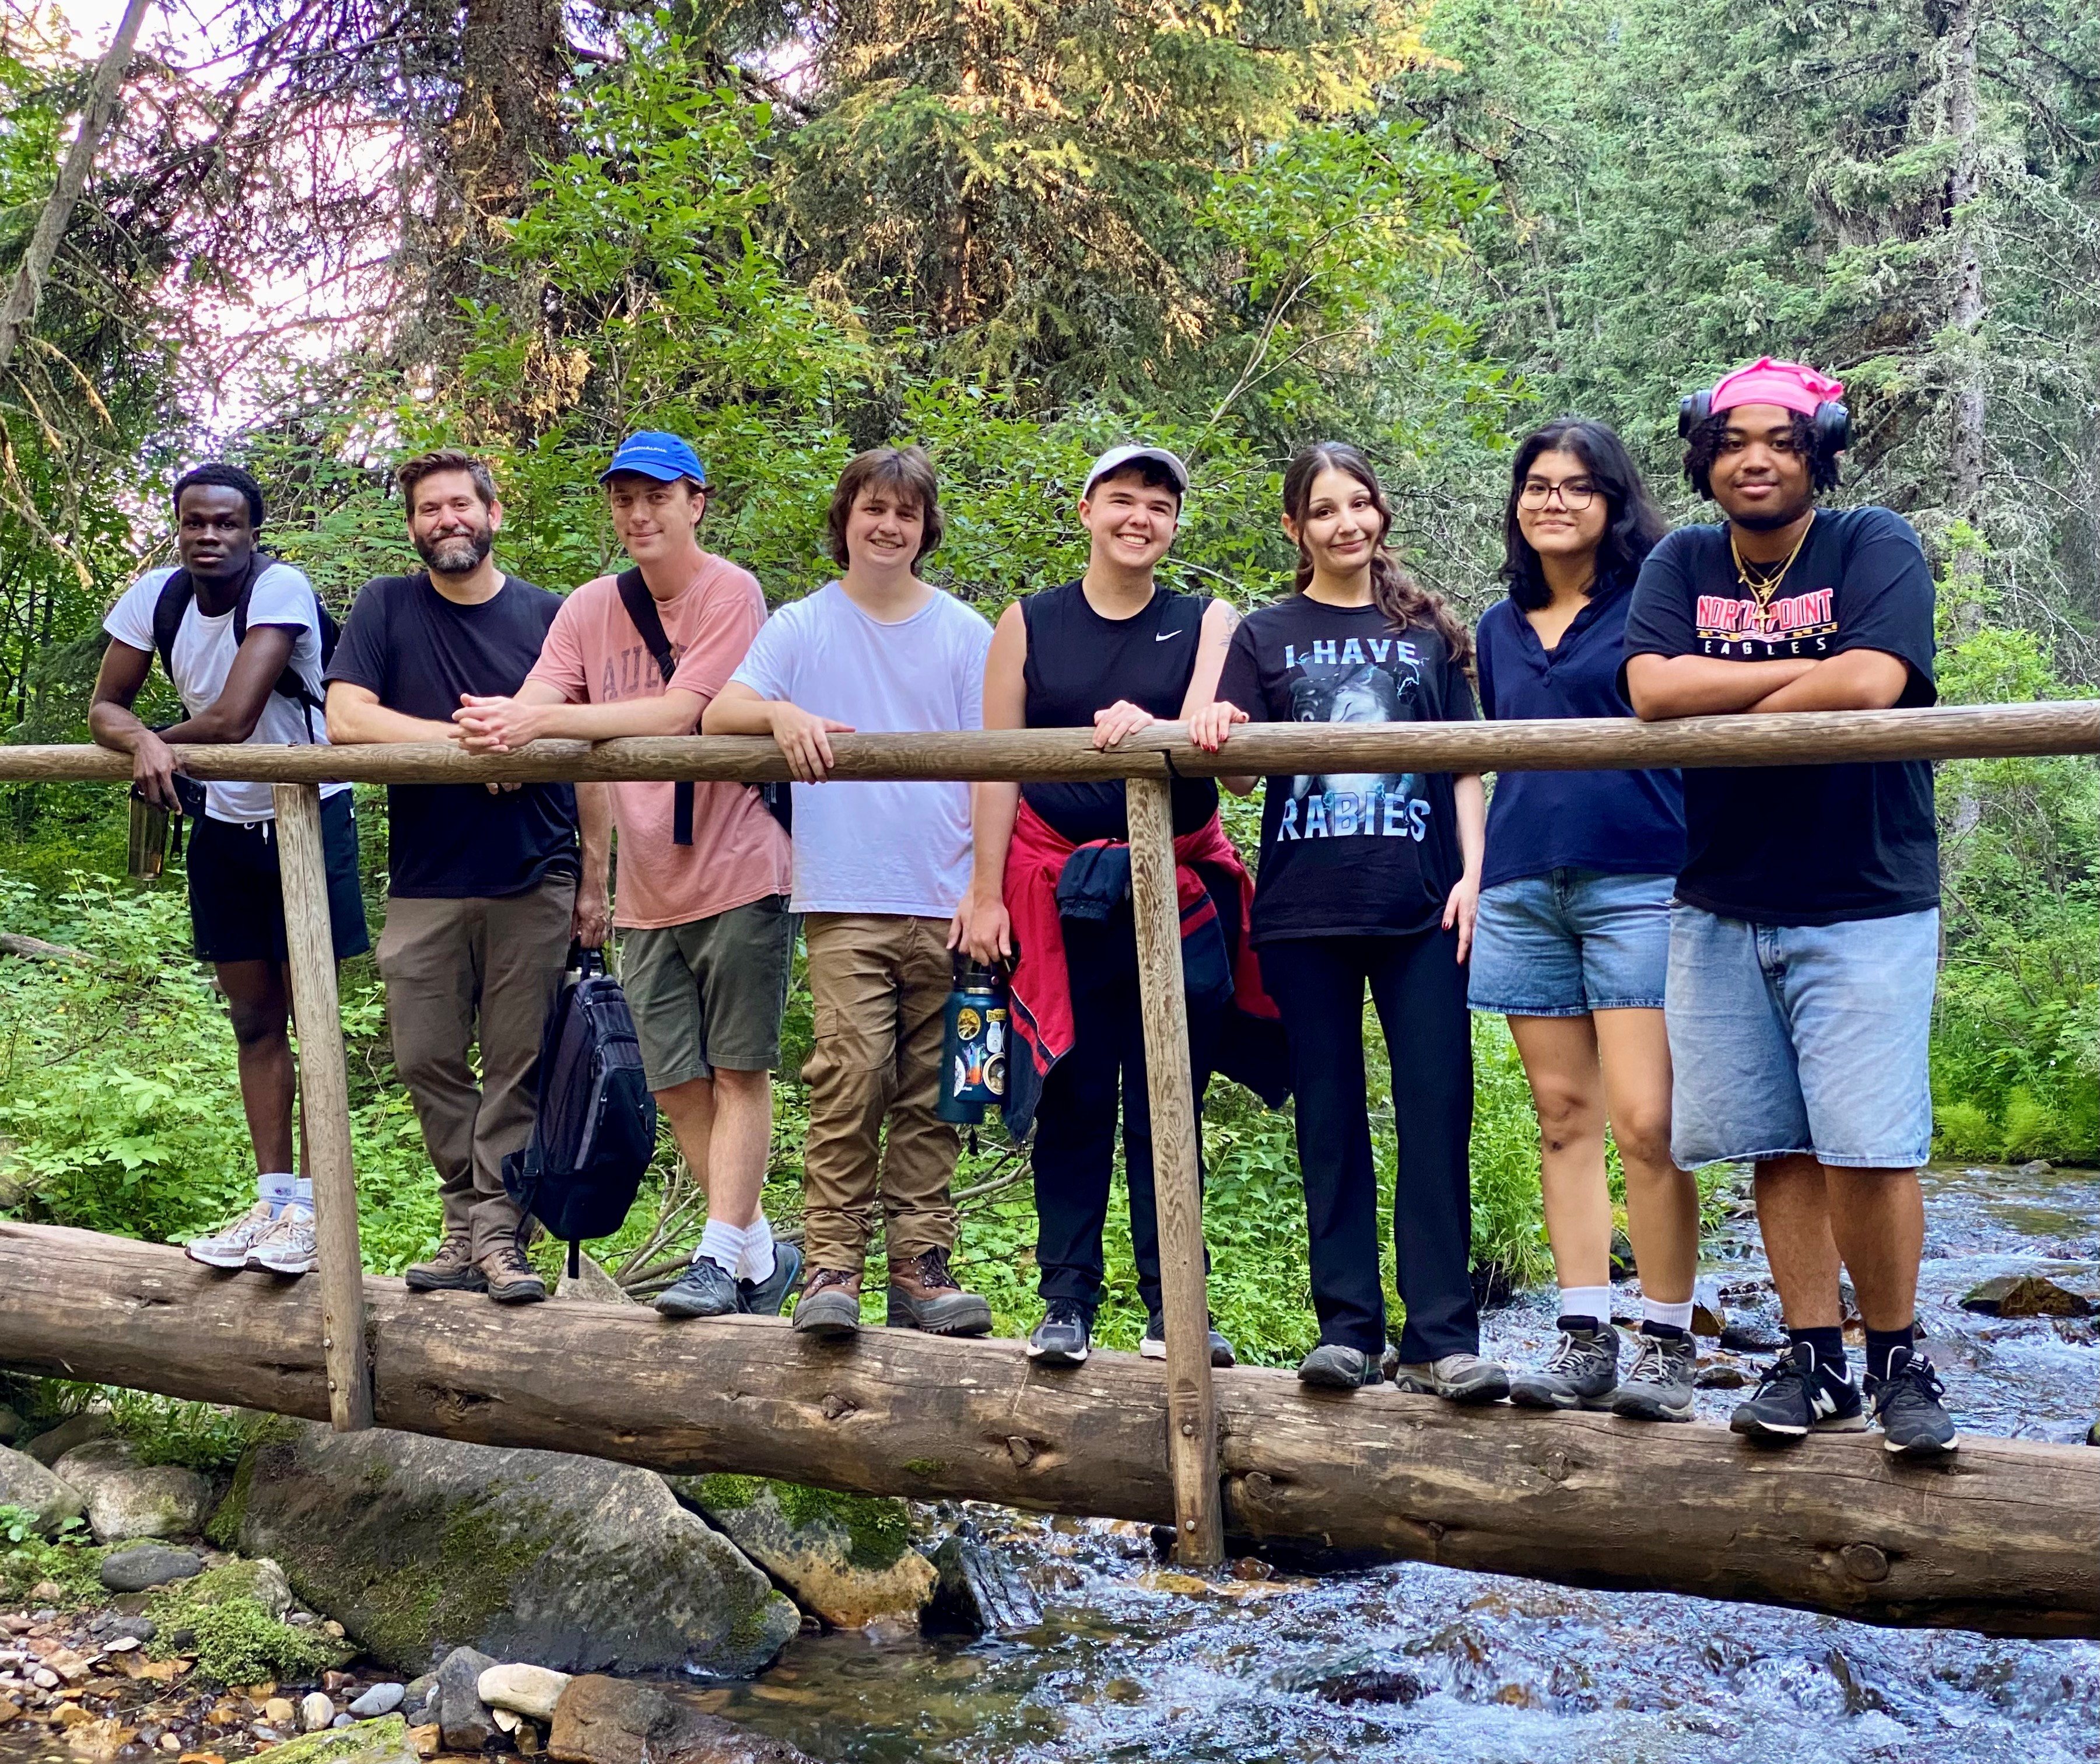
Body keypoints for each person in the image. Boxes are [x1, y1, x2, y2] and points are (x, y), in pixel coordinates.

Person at [1624, 358, 1955, 1457]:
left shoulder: (1874, 544)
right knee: (1778, 1141)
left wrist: (1730, 678)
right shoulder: (1679, 557)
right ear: (1701, 452)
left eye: (1777, 440)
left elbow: (1874, 682)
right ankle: (1813, 1360)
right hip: (1721, 899)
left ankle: (1897, 1356)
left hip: (1862, 893)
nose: (1753, 458)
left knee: (1870, 1144)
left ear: (1817, 449)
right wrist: (1805, 666)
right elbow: (1648, 691)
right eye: (1730, 441)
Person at [451, 432, 800, 1321]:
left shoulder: (731, 593)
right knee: (675, 1080)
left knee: (737, 1070)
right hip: (647, 883)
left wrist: (549, 729)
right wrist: (502, 726)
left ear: (697, 502)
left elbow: (686, 714)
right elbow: (543, 697)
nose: (639, 514)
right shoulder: (589, 608)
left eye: (657, 496)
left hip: (737, 865)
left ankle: (719, 1257)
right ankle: (758, 1252)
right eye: (623, 498)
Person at [954, 443, 1281, 1368]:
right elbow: (995, 764)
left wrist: (1153, 725)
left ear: (1175, 525)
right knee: (1074, 1092)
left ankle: (1173, 1305)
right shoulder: (1028, 622)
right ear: (1088, 510)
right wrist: (983, 895)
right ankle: (1065, 1303)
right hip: (1055, 891)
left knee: (1167, 1097)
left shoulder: (1204, 619)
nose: (1141, 519)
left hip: (1173, 886)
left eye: (1160, 507)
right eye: (1124, 501)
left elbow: (1212, 723)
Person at [1190, 442, 1505, 1401]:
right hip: (1304, 910)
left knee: (1435, 1110)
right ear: (1295, 529)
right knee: (1327, 1121)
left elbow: (1464, 763)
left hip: (1421, 906)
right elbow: (1239, 773)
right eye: (1322, 510)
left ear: (1380, 516)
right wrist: (1217, 733)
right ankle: (1347, 1330)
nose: (1344, 524)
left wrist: (1475, 877)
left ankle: (1441, 1338)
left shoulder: (1427, 630)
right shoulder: (1264, 633)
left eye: (1358, 504)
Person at [705, 446, 995, 1340]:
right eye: (873, 508)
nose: (887, 526)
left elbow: (997, 772)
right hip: (846, 899)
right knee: (848, 1077)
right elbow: (720, 713)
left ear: (924, 529)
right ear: (846, 518)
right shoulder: (803, 627)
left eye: (906, 514)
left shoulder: (964, 632)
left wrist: (987, 891)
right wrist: (780, 714)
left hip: (951, 900)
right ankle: (830, 1264)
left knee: (947, 1086)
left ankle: (921, 1266)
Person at [325, 448, 612, 1305]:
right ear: (412, 525)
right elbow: (347, 719)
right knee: (425, 1058)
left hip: (537, 873)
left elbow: (592, 746)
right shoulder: (386, 605)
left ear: (493, 514)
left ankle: (496, 1235)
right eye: (428, 509)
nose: (445, 520)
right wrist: (466, 747)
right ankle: (464, 1216)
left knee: (518, 1065)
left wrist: (596, 882)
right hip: (425, 878)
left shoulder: (550, 617)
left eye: (460, 505)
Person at [1468, 419, 1703, 1422]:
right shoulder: (1494, 626)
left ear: (1613, 501)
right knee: (1563, 1118)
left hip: (1639, 875)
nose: (1552, 500)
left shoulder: (1654, 602)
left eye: (1575, 486)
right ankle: (1582, 1335)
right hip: (1525, 885)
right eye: (1535, 484)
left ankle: (1668, 1340)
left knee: (1648, 1123)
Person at [90, 463, 368, 1276]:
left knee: (312, 1014)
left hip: (308, 810)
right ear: (178, 526)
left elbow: (236, 717)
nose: (208, 536)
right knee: (253, 1017)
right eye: (194, 523)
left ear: (252, 531)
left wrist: (153, 740)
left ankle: (317, 1211)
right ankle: (273, 1199)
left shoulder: (278, 589)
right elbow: (107, 704)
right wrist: (137, 738)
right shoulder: (158, 596)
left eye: (225, 524)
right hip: (221, 818)